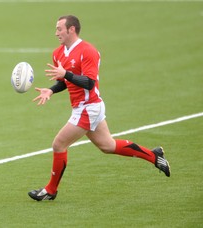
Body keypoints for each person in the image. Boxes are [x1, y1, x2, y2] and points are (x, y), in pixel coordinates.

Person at [28, 15, 170, 201]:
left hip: (89, 108)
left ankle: (50, 191)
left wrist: (66, 74)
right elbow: (64, 81)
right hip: (83, 108)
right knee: (108, 146)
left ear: (71, 29)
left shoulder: (88, 51)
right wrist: (51, 90)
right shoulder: (58, 53)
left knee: (59, 144)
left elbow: (88, 82)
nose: (56, 33)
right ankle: (154, 156)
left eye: (59, 29)